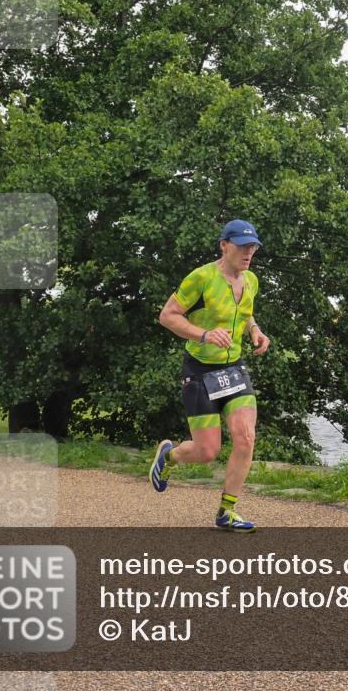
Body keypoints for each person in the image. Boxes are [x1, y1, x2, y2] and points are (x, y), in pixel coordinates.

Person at [149, 219, 270, 531]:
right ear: (224, 245)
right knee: (207, 452)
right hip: (201, 371)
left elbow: (244, 313)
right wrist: (203, 334)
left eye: (253, 247)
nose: (248, 252)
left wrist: (255, 331)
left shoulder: (251, 281)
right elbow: (168, 316)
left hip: (234, 368)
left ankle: (226, 512)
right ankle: (169, 457)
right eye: (242, 246)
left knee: (245, 436)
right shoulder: (201, 278)